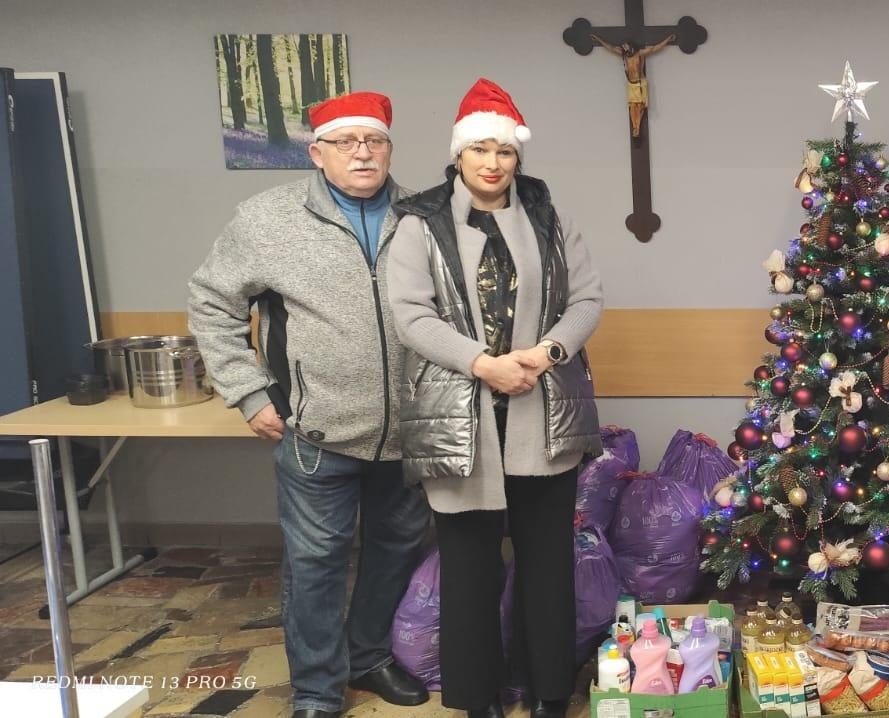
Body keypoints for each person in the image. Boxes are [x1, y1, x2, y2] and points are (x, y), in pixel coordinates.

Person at [188, 92, 430, 718]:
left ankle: (370, 655)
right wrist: (246, 390)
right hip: (314, 430)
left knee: (397, 549)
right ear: (317, 152)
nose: (362, 152)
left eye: (373, 140)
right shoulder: (268, 219)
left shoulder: (427, 215)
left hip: (412, 430)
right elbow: (213, 302)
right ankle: (319, 690)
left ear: (389, 149)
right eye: (346, 141)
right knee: (316, 564)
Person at [384, 78, 603, 718]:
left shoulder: (550, 218)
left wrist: (545, 354)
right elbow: (411, 316)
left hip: (544, 414)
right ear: (458, 155)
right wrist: (483, 365)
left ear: (517, 157)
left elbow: (586, 300)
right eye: (479, 149)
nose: (491, 162)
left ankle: (549, 694)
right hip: (458, 421)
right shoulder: (420, 224)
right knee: (470, 567)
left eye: (503, 151)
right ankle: (477, 698)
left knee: (546, 562)